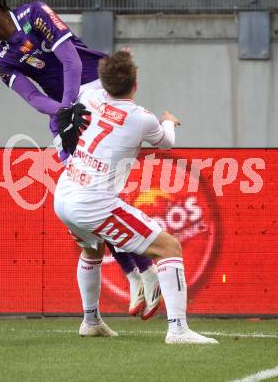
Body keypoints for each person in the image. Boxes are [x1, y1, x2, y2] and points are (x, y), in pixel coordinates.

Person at [0, 0, 161, 318]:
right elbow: (31, 96)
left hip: (94, 89)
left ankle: (145, 272)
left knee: (96, 195)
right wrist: (61, 112)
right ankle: (135, 273)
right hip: (65, 110)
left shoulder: (35, 13)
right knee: (85, 201)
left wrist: (70, 107)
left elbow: (70, 60)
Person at [53, 51, 219, 344]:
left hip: (64, 195)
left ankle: (90, 321)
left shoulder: (90, 97)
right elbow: (166, 143)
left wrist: (117, 62)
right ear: (136, 83)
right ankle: (178, 330)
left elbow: (100, 84)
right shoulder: (142, 118)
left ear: (103, 82)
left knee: (92, 250)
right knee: (169, 247)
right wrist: (168, 120)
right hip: (93, 203)